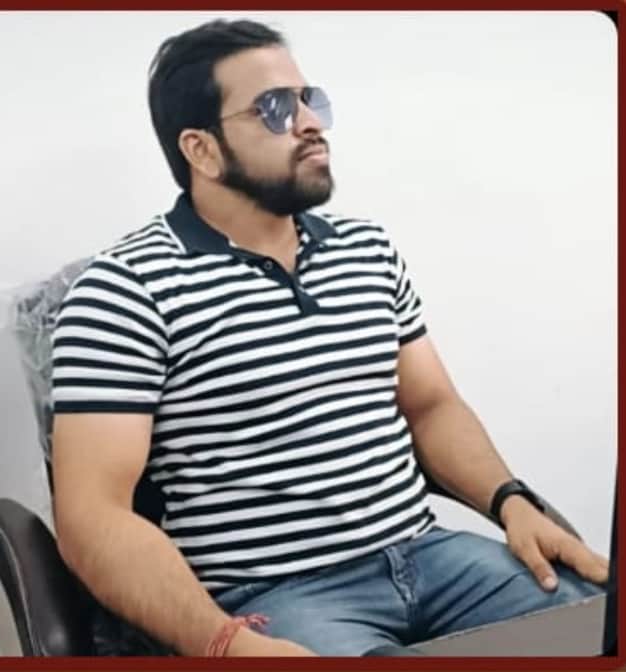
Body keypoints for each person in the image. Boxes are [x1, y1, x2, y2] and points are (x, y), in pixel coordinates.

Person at [51, 19, 607, 657]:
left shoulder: (367, 249)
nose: (311, 123)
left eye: (309, 100)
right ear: (201, 150)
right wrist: (223, 642)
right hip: (277, 595)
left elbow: (431, 405)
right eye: (275, 108)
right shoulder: (127, 287)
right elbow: (92, 516)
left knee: (595, 624)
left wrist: (513, 502)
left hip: (431, 556)